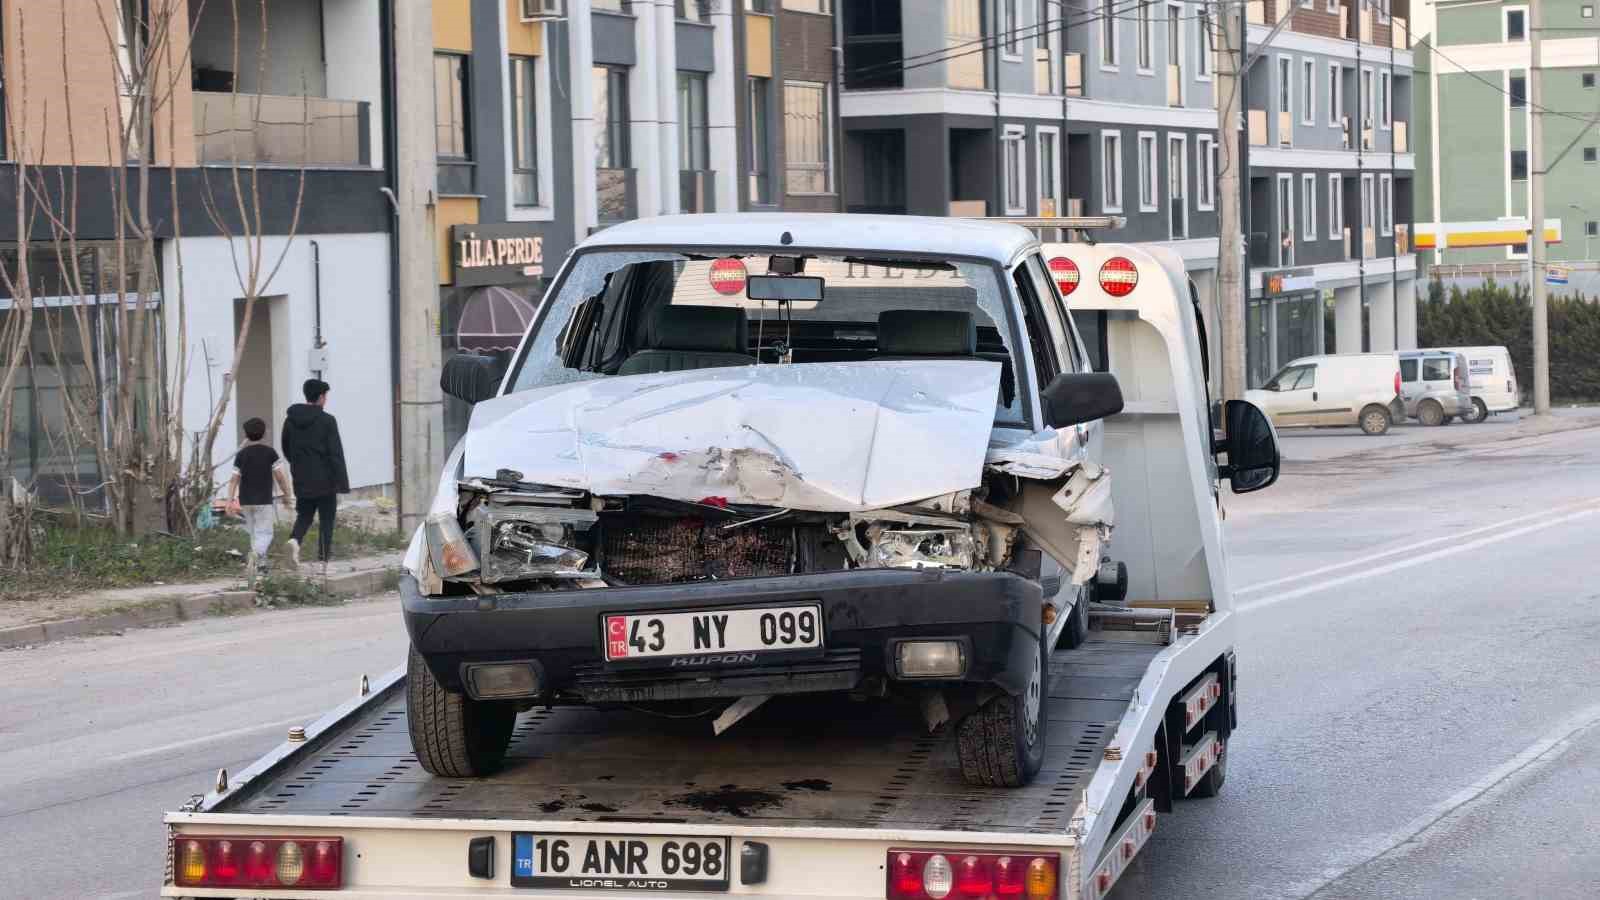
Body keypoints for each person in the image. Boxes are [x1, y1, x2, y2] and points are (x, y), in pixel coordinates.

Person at [282, 378, 350, 573]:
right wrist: (342, 483)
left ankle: (294, 541)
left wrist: (298, 464)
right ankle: (322, 563)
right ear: (321, 397)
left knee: (304, 515)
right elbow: (335, 453)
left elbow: (286, 447)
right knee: (327, 519)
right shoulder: (327, 420)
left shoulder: (290, 420)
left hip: (301, 478)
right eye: (325, 396)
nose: (326, 399)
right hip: (325, 479)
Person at [225, 417, 294, 580]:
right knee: (266, 534)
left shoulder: (241, 455)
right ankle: (255, 555)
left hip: (246, 500)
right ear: (264, 433)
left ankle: (260, 566)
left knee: (254, 534)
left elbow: (234, 479)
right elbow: (280, 477)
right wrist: (287, 494)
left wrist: (229, 501)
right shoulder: (270, 453)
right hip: (263, 500)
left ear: (246, 435)